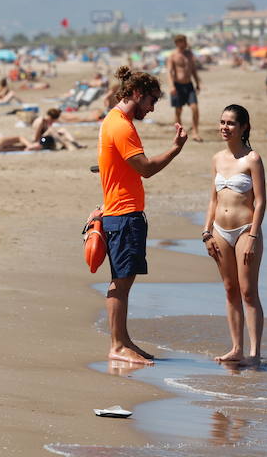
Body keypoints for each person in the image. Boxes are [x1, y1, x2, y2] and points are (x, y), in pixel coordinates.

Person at [99, 66, 187, 364]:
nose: (152, 108)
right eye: (151, 100)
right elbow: (145, 168)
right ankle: (117, 345)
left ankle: (123, 341)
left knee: (123, 279)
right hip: (123, 213)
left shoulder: (113, 120)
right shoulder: (121, 125)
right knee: (121, 281)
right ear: (137, 93)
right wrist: (175, 149)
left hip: (119, 210)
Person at [202, 105, 266, 366]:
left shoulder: (252, 159)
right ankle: (236, 348)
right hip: (219, 231)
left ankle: (255, 353)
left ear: (243, 128)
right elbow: (213, 200)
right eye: (222, 122)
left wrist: (252, 235)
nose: (224, 127)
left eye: (230, 123)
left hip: (244, 230)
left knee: (248, 291)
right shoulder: (217, 158)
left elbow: (260, 202)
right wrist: (206, 231)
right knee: (230, 290)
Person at [167, 34, 203, 141]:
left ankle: (195, 132)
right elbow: (169, 72)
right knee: (178, 110)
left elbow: (193, 70)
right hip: (177, 86)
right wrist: (171, 86)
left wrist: (197, 83)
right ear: (178, 43)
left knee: (195, 108)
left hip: (189, 85)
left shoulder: (189, 54)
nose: (186, 43)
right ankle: (180, 132)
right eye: (183, 41)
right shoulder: (172, 56)